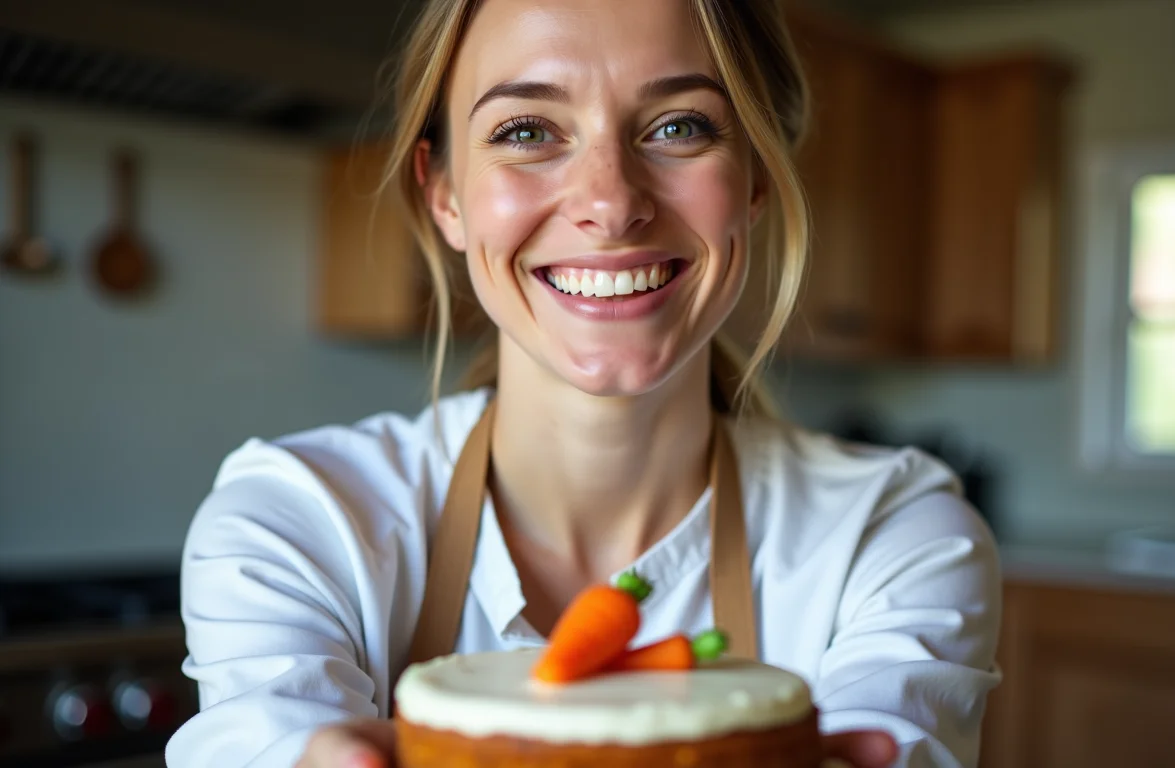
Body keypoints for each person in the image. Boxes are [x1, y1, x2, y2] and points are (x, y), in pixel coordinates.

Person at [163, 0, 1002, 766]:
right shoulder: (297, 524)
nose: (610, 202)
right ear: (445, 194)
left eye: (678, 126)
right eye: (527, 131)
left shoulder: (890, 539)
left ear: (753, 181)